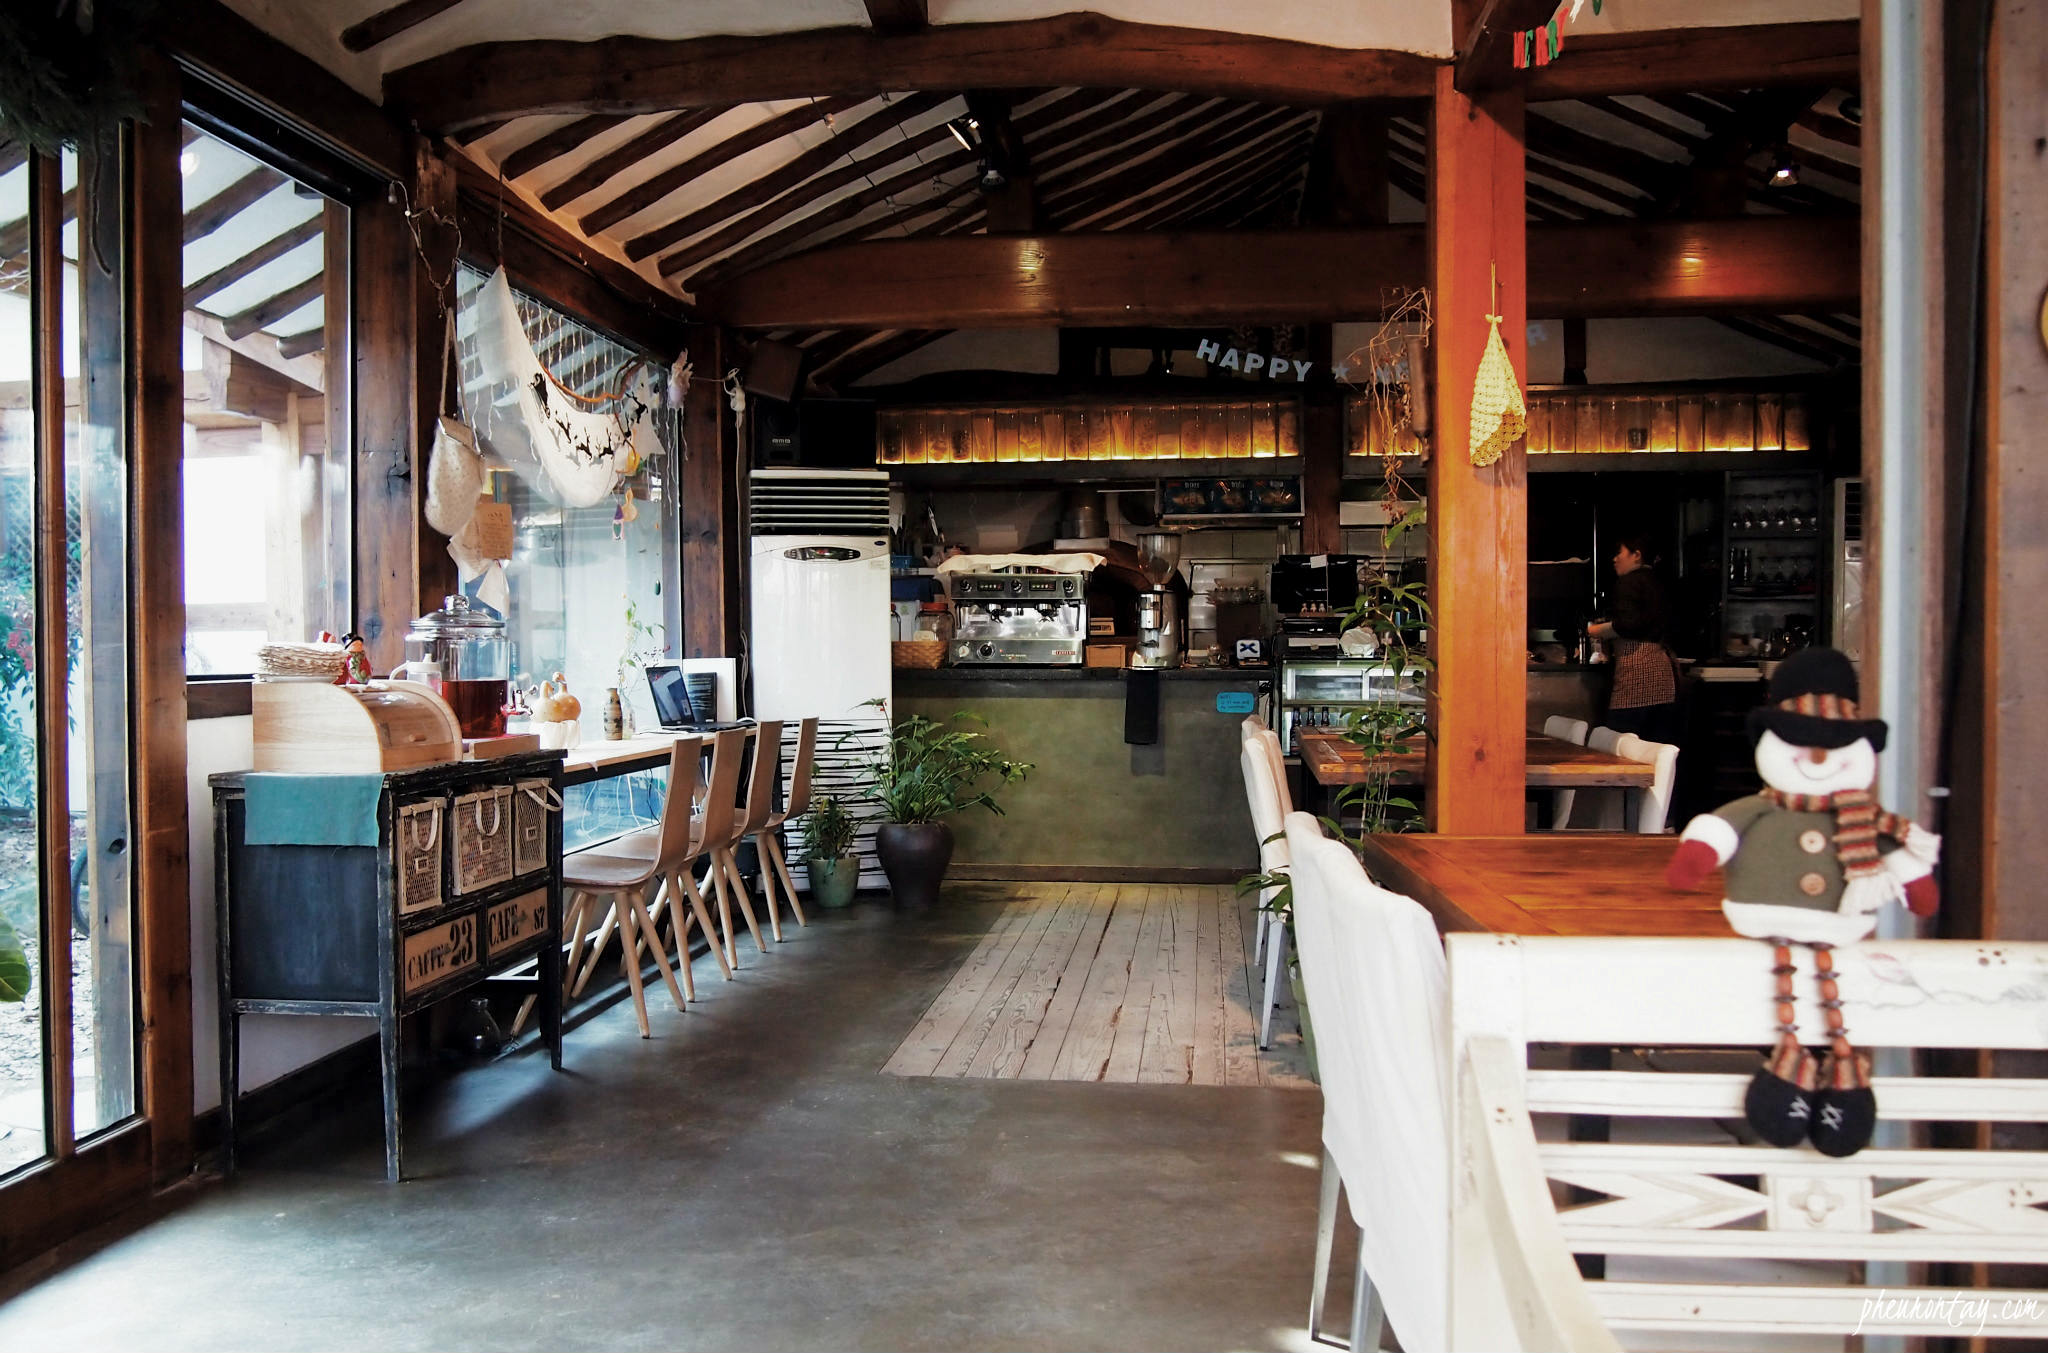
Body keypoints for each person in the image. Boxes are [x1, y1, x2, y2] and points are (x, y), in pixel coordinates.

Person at [1588, 532, 1682, 744]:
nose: (1615, 559)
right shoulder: (1659, 582)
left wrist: (1597, 630)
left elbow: (1627, 624)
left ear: (1636, 555)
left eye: (1619, 553)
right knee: (1655, 747)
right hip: (1663, 674)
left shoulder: (1629, 582)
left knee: (1620, 743)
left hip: (1638, 671)